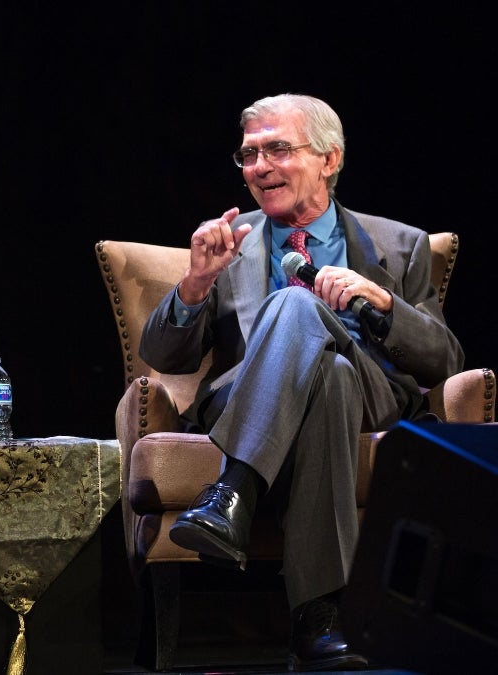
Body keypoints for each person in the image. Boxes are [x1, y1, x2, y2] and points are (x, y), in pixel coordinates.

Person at [140, 93, 463, 671]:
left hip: (375, 395)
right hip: (251, 398)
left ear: (329, 159)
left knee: (312, 329)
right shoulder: (228, 247)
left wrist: (383, 302)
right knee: (326, 371)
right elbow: (164, 357)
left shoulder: (400, 245)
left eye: (277, 149)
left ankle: (233, 491)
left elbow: (445, 359)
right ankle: (319, 620)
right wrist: (194, 285)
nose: (259, 167)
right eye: (248, 155)